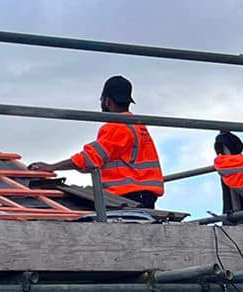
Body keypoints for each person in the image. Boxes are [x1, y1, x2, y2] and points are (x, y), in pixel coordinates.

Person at [26, 74, 164, 209]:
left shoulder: (117, 126)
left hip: (128, 198)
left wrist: (51, 167)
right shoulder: (137, 125)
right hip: (143, 197)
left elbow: (89, 159)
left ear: (107, 101)